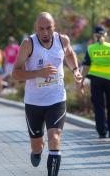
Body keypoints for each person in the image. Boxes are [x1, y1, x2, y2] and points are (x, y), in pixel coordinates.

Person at [12, 12, 82, 176]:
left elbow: (70, 54)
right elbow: (15, 74)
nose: (45, 32)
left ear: (54, 27)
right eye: (41, 29)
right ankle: (36, 152)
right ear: (36, 28)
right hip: (34, 102)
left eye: (48, 28)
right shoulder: (28, 44)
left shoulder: (62, 40)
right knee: (37, 146)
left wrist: (76, 70)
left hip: (56, 99)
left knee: (55, 138)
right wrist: (38, 73)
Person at [81, 25, 110, 138]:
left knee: (99, 106)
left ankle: (102, 132)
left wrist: (81, 81)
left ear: (95, 36)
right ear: (105, 34)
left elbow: (86, 67)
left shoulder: (91, 48)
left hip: (96, 80)